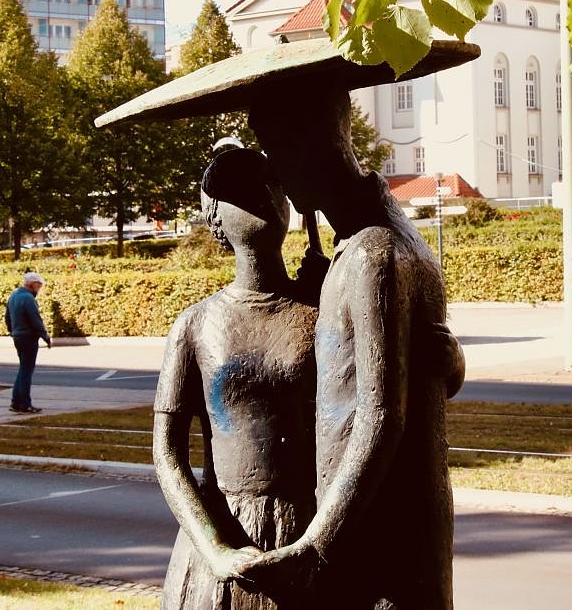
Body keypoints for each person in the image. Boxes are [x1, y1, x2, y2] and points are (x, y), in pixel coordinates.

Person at [242, 85, 465, 610]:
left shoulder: (371, 254)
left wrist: (315, 545)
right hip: (389, 522)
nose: (275, 172)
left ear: (309, 142)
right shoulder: (391, 237)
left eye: (275, 150)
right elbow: (424, 366)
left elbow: (380, 416)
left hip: (376, 537)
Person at [153, 148, 320, 610]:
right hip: (225, 535)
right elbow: (167, 455)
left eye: (272, 184)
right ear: (216, 218)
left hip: (308, 531)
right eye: (243, 191)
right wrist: (215, 550)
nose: (265, 196)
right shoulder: (195, 326)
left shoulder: (323, 310)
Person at [5, 271, 51, 414]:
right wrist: (45, 336)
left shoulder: (14, 295)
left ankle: (16, 402)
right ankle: (25, 404)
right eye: (38, 286)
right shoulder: (28, 298)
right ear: (32, 284)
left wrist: (12, 331)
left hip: (18, 336)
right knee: (26, 371)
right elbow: (36, 320)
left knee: (23, 369)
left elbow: (7, 317)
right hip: (28, 337)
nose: (39, 289)